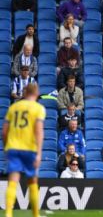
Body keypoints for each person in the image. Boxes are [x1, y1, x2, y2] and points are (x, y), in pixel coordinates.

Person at [2, 84, 44, 217]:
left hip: (13, 147)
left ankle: (8, 213)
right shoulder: (38, 108)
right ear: (36, 93)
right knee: (32, 181)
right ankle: (35, 214)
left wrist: (5, 147)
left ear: (25, 93)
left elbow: (4, 131)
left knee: (13, 181)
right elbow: (38, 131)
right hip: (29, 149)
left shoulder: (13, 107)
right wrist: (39, 153)